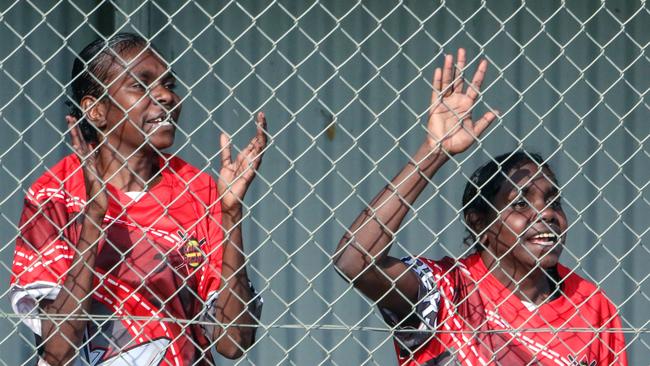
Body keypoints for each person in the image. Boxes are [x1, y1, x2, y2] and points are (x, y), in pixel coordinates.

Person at [333, 49, 628, 365]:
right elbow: (354, 261)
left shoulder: (591, 305)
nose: (545, 214)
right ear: (479, 224)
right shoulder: (447, 289)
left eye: (553, 202)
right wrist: (434, 153)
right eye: (520, 203)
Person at [9, 33, 266, 365]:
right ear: (96, 110)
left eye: (168, 84)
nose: (165, 96)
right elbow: (58, 352)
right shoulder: (55, 194)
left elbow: (234, 343)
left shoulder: (197, 189)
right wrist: (94, 218)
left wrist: (230, 213)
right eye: (141, 86)